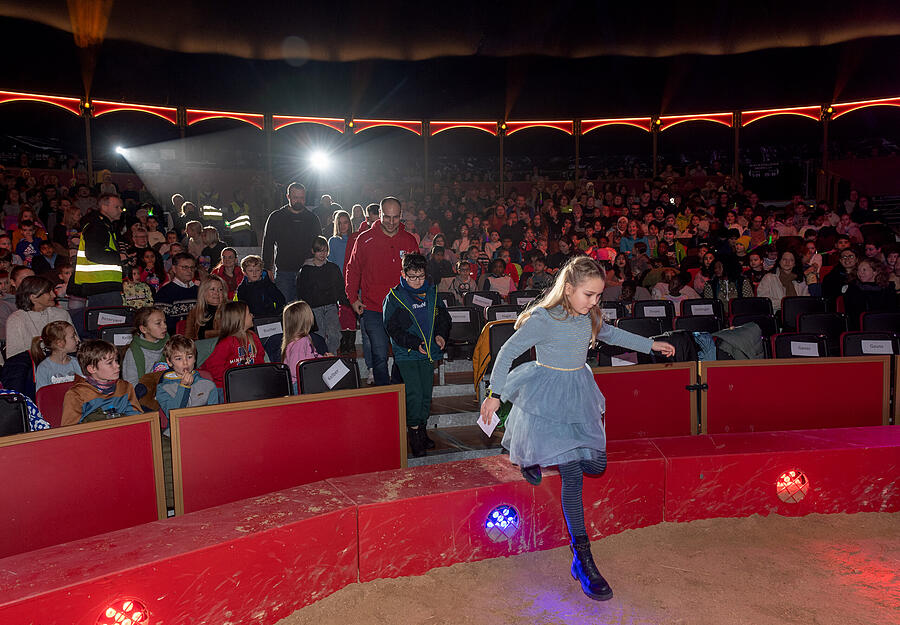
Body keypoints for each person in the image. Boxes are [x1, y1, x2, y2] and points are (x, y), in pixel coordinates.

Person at [479, 256, 674, 601]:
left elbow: (611, 332)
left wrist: (651, 344)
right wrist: (495, 394)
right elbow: (506, 355)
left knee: (597, 463)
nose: (595, 302)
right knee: (573, 473)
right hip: (547, 394)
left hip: (578, 390)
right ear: (568, 290)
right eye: (589, 295)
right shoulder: (543, 318)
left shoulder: (590, 314)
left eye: (599, 295)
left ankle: (536, 456)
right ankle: (583, 559)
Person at [345, 197, 419, 386]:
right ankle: (383, 396)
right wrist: (352, 298)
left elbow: (419, 273)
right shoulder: (364, 239)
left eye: (395, 217)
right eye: (387, 217)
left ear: (401, 215)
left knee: (402, 356)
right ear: (379, 214)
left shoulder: (409, 241)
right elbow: (352, 269)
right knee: (379, 356)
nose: (392, 222)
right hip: (373, 308)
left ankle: (395, 394)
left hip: (402, 309)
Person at [383, 253, 452, 457]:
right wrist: (414, 343)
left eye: (420, 276)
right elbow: (392, 329)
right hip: (407, 354)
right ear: (403, 274)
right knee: (413, 395)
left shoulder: (431, 292)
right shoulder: (394, 297)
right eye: (412, 277)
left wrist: (441, 335)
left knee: (425, 395)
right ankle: (414, 435)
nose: (417, 281)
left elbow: (443, 318)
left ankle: (421, 430)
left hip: (428, 352)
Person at [70, 193, 128, 326]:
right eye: (117, 207)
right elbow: (94, 254)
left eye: (121, 207)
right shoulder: (97, 226)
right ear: (104, 207)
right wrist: (120, 257)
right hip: (102, 287)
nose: (120, 210)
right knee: (110, 330)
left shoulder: (104, 226)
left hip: (102, 286)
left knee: (106, 329)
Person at [262, 182, 322, 303]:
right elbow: (268, 243)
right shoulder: (276, 217)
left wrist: (320, 266)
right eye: (295, 198)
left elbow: (319, 244)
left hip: (307, 271)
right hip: (284, 272)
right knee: (284, 310)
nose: (299, 201)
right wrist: (267, 268)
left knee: (307, 311)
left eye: (302, 198)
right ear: (288, 197)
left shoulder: (312, 218)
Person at [61, 339, 142, 426]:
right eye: (110, 363)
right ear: (92, 369)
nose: (117, 365)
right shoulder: (77, 394)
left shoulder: (125, 387)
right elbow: (70, 430)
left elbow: (137, 419)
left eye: (116, 360)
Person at [156, 335, 220, 433]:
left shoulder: (208, 385)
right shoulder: (163, 388)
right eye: (178, 359)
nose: (185, 363)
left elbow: (215, 417)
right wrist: (183, 387)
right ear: (169, 362)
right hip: (177, 432)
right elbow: (173, 414)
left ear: (195, 358)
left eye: (189, 357)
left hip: (204, 430)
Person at [295, 236, 346, 354]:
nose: (322, 254)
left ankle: (330, 355)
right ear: (313, 251)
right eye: (319, 250)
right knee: (319, 336)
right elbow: (301, 291)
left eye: (325, 250)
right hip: (314, 308)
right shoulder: (306, 270)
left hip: (331, 306)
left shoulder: (333, 267)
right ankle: (320, 359)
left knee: (335, 335)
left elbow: (340, 287)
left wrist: (347, 301)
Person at [200, 301, 265, 389]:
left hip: (249, 383)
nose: (252, 315)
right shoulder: (226, 343)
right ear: (240, 319)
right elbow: (213, 367)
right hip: (228, 387)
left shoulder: (253, 337)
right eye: (249, 313)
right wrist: (231, 380)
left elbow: (260, 358)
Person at [5, 275, 73, 358]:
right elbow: (13, 356)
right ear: (33, 297)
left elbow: (74, 344)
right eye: (48, 292)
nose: (54, 295)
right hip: (31, 367)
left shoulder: (61, 314)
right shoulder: (16, 319)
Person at [281, 300, 324, 390]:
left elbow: (312, 355)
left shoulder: (303, 339)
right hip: (299, 385)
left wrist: (323, 358)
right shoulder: (301, 342)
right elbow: (294, 369)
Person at [844, 259, 897, 330]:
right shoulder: (853, 288)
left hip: (883, 327)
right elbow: (851, 313)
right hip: (858, 327)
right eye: (858, 270)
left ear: (875, 271)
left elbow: (891, 313)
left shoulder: (887, 289)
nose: (860, 273)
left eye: (864, 270)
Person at [122, 306, 169, 386]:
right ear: (144, 329)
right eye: (158, 323)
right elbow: (131, 384)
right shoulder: (133, 352)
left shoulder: (170, 344)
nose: (164, 326)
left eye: (164, 322)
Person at [154, 252, 199, 332]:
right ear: (174, 269)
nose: (189, 271)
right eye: (185, 267)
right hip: (176, 339)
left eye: (192, 267)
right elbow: (162, 324)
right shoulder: (164, 293)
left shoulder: (199, 290)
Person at [31, 320, 82, 391]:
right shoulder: (44, 368)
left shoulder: (76, 363)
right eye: (73, 336)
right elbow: (42, 396)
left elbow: (83, 389)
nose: (77, 339)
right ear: (60, 343)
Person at [236, 254, 285, 318]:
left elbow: (281, 300)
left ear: (261, 271)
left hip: (269, 319)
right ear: (244, 273)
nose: (254, 273)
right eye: (250, 271)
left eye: (257, 270)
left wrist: (275, 315)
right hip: (252, 320)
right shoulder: (242, 288)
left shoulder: (268, 285)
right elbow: (242, 307)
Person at [185, 275, 226, 340]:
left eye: (220, 289)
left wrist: (205, 334)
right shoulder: (194, 312)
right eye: (212, 289)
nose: (216, 293)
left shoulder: (228, 310)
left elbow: (229, 333)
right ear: (203, 292)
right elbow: (188, 337)